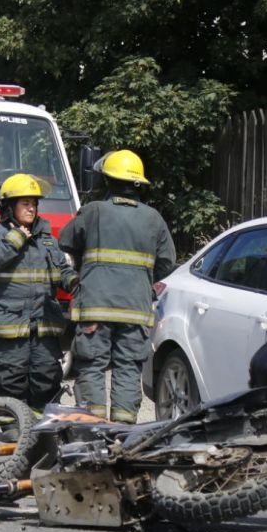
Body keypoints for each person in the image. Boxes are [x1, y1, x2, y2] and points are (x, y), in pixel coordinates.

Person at [59, 150, 176, 423]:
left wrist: (76, 278)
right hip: (135, 310)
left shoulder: (92, 212)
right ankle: (122, 431)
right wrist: (141, 283)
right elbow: (167, 263)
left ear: (107, 180)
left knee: (92, 366)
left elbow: (64, 245)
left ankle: (92, 429)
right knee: (128, 368)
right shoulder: (154, 218)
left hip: (95, 308)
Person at [0, 174, 77, 432]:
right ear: (9, 207)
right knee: (11, 377)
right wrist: (16, 239)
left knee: (47, 376)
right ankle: (12, 425)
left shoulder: (46, 238)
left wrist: (73, 281)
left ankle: (39, 427)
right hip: (10, 324)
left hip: (43, 323)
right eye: (25, 203)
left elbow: (61, 269)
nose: (31, 208)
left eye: (34, 202)